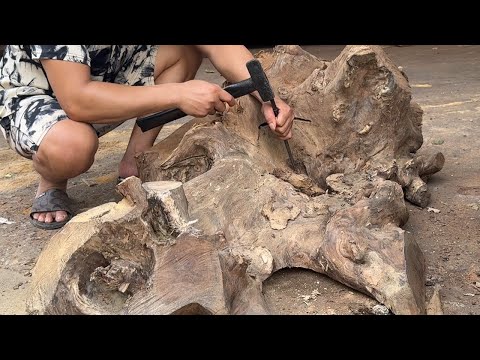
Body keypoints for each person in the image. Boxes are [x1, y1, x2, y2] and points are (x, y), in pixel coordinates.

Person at [0, 45, 294, 230]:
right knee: (72, 147)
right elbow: (76, 100)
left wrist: (267, 95)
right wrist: (178, 93)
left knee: (184, 49)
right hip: (39, 96)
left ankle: (135, 163)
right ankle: (52, 180)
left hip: (104, 74)